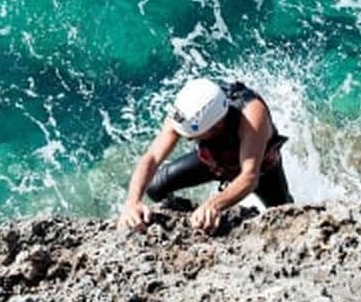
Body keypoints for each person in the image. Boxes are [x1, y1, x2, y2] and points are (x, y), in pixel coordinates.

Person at [118, 78, 293, 234]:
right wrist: (132, 202)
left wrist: (214, 204)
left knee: (285, 219)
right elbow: (152, 157)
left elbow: (250, 176)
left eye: (193, 136)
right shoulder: (186, 114)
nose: (188, 139)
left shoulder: (252, 114)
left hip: (262, 171)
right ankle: (186, 210)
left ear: (216, 125)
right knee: (155, 187)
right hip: (216, 163)